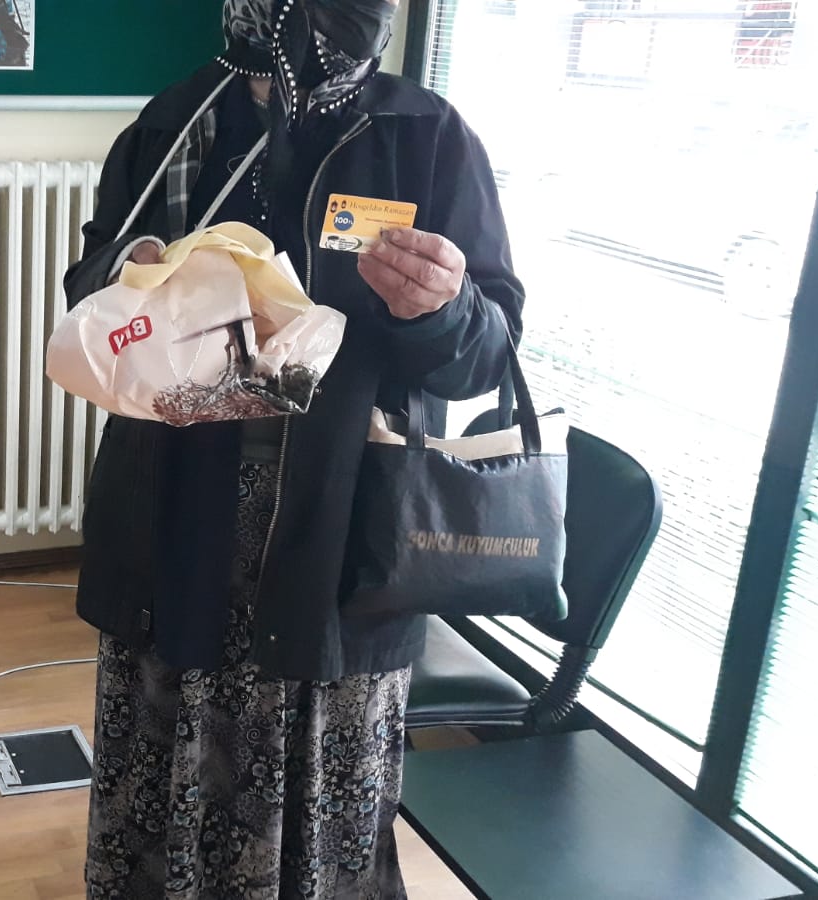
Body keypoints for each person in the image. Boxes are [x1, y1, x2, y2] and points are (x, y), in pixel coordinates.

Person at [64, 0, 522, 896]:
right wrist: (131, 274)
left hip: (342, 544)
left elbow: (488, 356)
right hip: (174, 523)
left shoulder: (423, 136)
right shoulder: (178, 122)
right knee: (166, 774)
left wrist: (442, 308)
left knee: (321, 816)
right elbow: (90, 295)